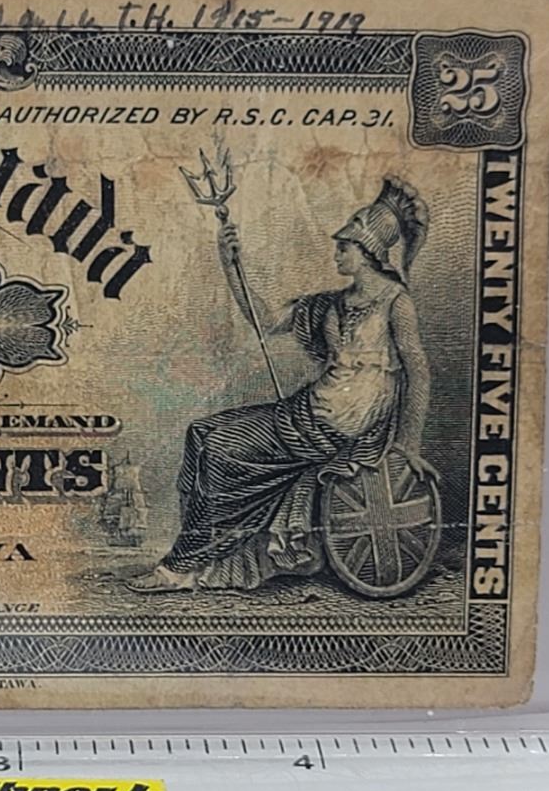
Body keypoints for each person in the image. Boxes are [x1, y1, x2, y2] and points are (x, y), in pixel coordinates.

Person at [127, 175, 435, 593]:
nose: (336, 253)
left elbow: (417, 370)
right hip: (305, 416)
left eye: (344, 247)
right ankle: (203, 557)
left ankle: (179, 569)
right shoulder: (330, 305)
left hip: (341, 429)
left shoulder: (397, 302)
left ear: (369, 252)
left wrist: (408, 445)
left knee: (219, 450)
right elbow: (267, 321)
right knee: (200, 434)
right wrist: (231, 265)